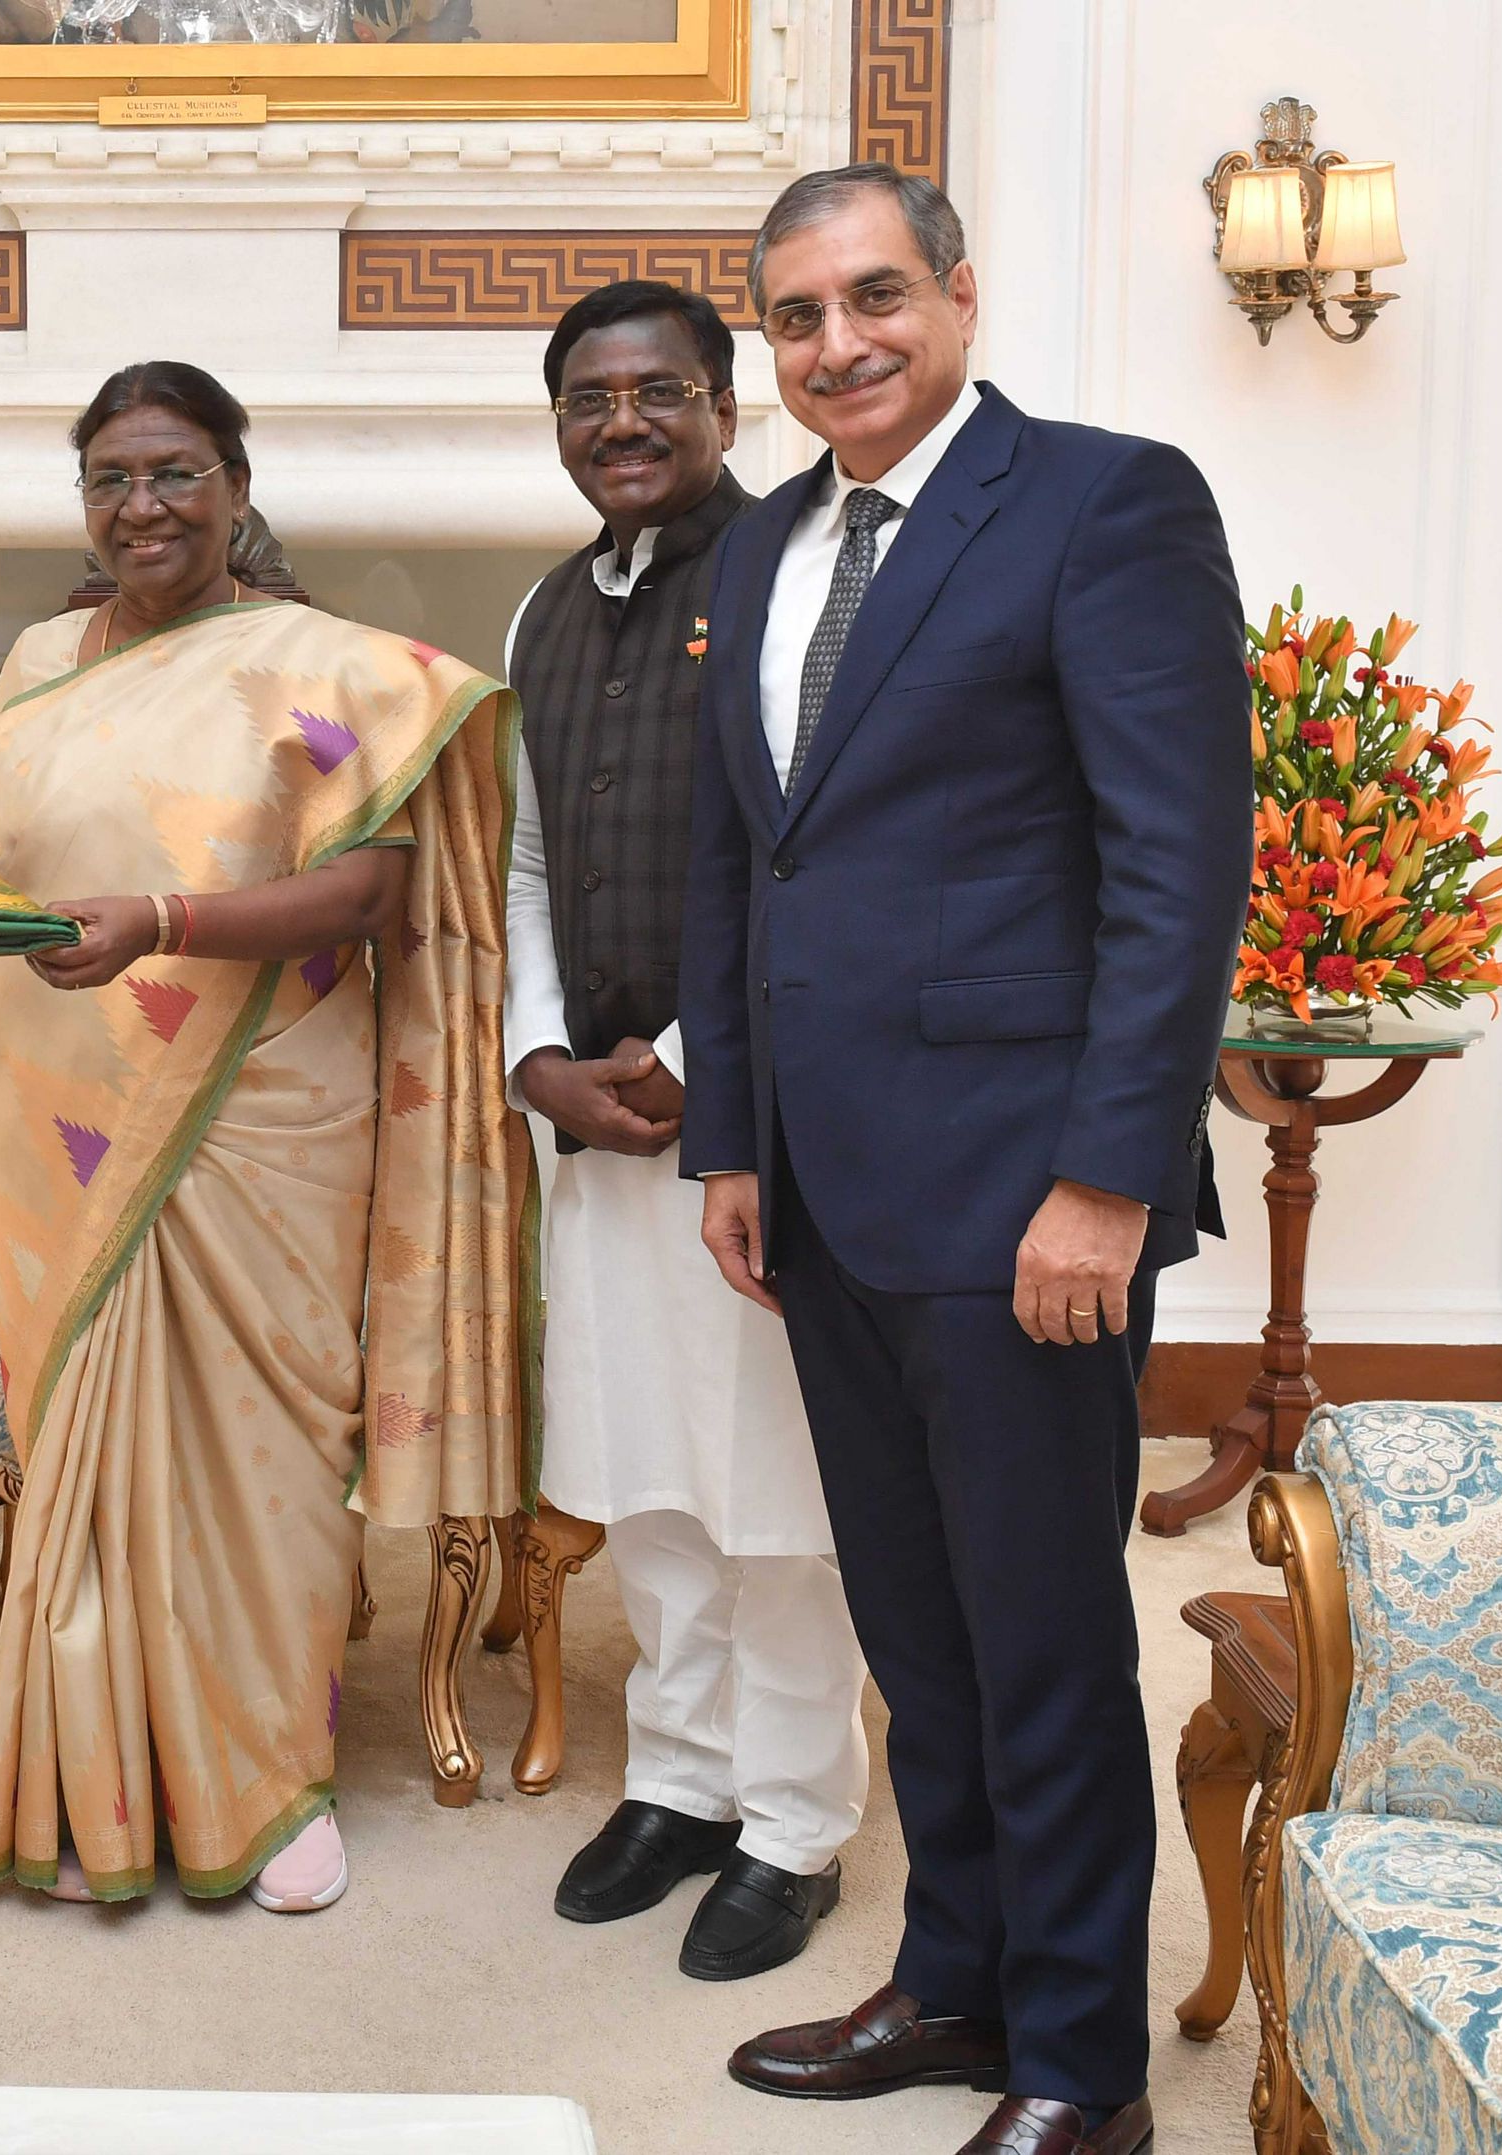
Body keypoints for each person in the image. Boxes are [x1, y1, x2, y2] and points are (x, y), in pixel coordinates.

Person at [679, 168, 1247, 2155]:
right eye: (796, 317)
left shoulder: (1103, 504)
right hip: (824, 1196)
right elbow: (739, 866)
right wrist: (729, 1140)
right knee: (916, 1638)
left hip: (1026, 1197)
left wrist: (1108, 1179)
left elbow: (1177, 863)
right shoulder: (761, 546)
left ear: (959, 294)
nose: (836, 344)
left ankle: (1081, 2066)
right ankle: (956, 1982)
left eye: (873, 298)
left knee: (1040, 1639)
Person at [0, 359, 533, 1914]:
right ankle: (93, 1781)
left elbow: (375, 892)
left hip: (264, 1103)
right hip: (63, 1103)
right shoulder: (38, 660)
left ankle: (272, 1784)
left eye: (175, 473)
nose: (141, 505)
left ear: (236, 487)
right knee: (85, 1443)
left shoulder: (324, 668)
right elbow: (1, 860)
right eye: (111, 480)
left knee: (267, 1450)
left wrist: (161, 920)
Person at [501, 280, 866, 1981]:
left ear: (729, 407)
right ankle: (680, 1780)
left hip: (761, 1122)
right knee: (644, 1472)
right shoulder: (544, 609)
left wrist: (695, 1056)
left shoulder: (805, 576)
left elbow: (825, 851)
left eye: (659, 391)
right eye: (590, 399)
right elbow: (520, 860)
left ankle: (794, 1820)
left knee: (774, 1489)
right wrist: (535, 1058)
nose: (623, 423)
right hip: (595, 1120)